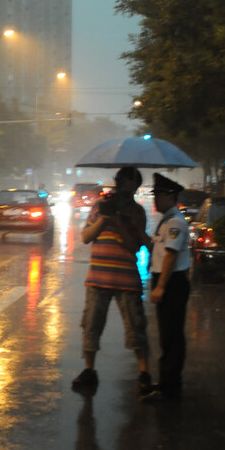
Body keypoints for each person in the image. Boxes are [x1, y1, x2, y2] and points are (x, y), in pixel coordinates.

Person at [72, 166, 152, 393]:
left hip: (127, 278)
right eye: (123, 185)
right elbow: (86, 237)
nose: (126, 190)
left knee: (136, 326)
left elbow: (135, 246)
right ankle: (89, 370)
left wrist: (118, 222)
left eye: (130, 186)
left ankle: (144, 372)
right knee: (91, 326)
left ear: (135, 188)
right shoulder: (100, 206)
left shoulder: (137, 212)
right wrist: (104, 219)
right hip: (98, 277)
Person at [144, 173, 191, 401]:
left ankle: (169, 387)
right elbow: (158, 249)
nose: (156, 200)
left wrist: (161, 287)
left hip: (172, 282)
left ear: (171, 196)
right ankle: (165, 382)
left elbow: (170, 256)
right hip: (167, 280)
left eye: (159, 195)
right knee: (166, 334)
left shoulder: (175, 223)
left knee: (171, 335)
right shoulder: (166, 221)